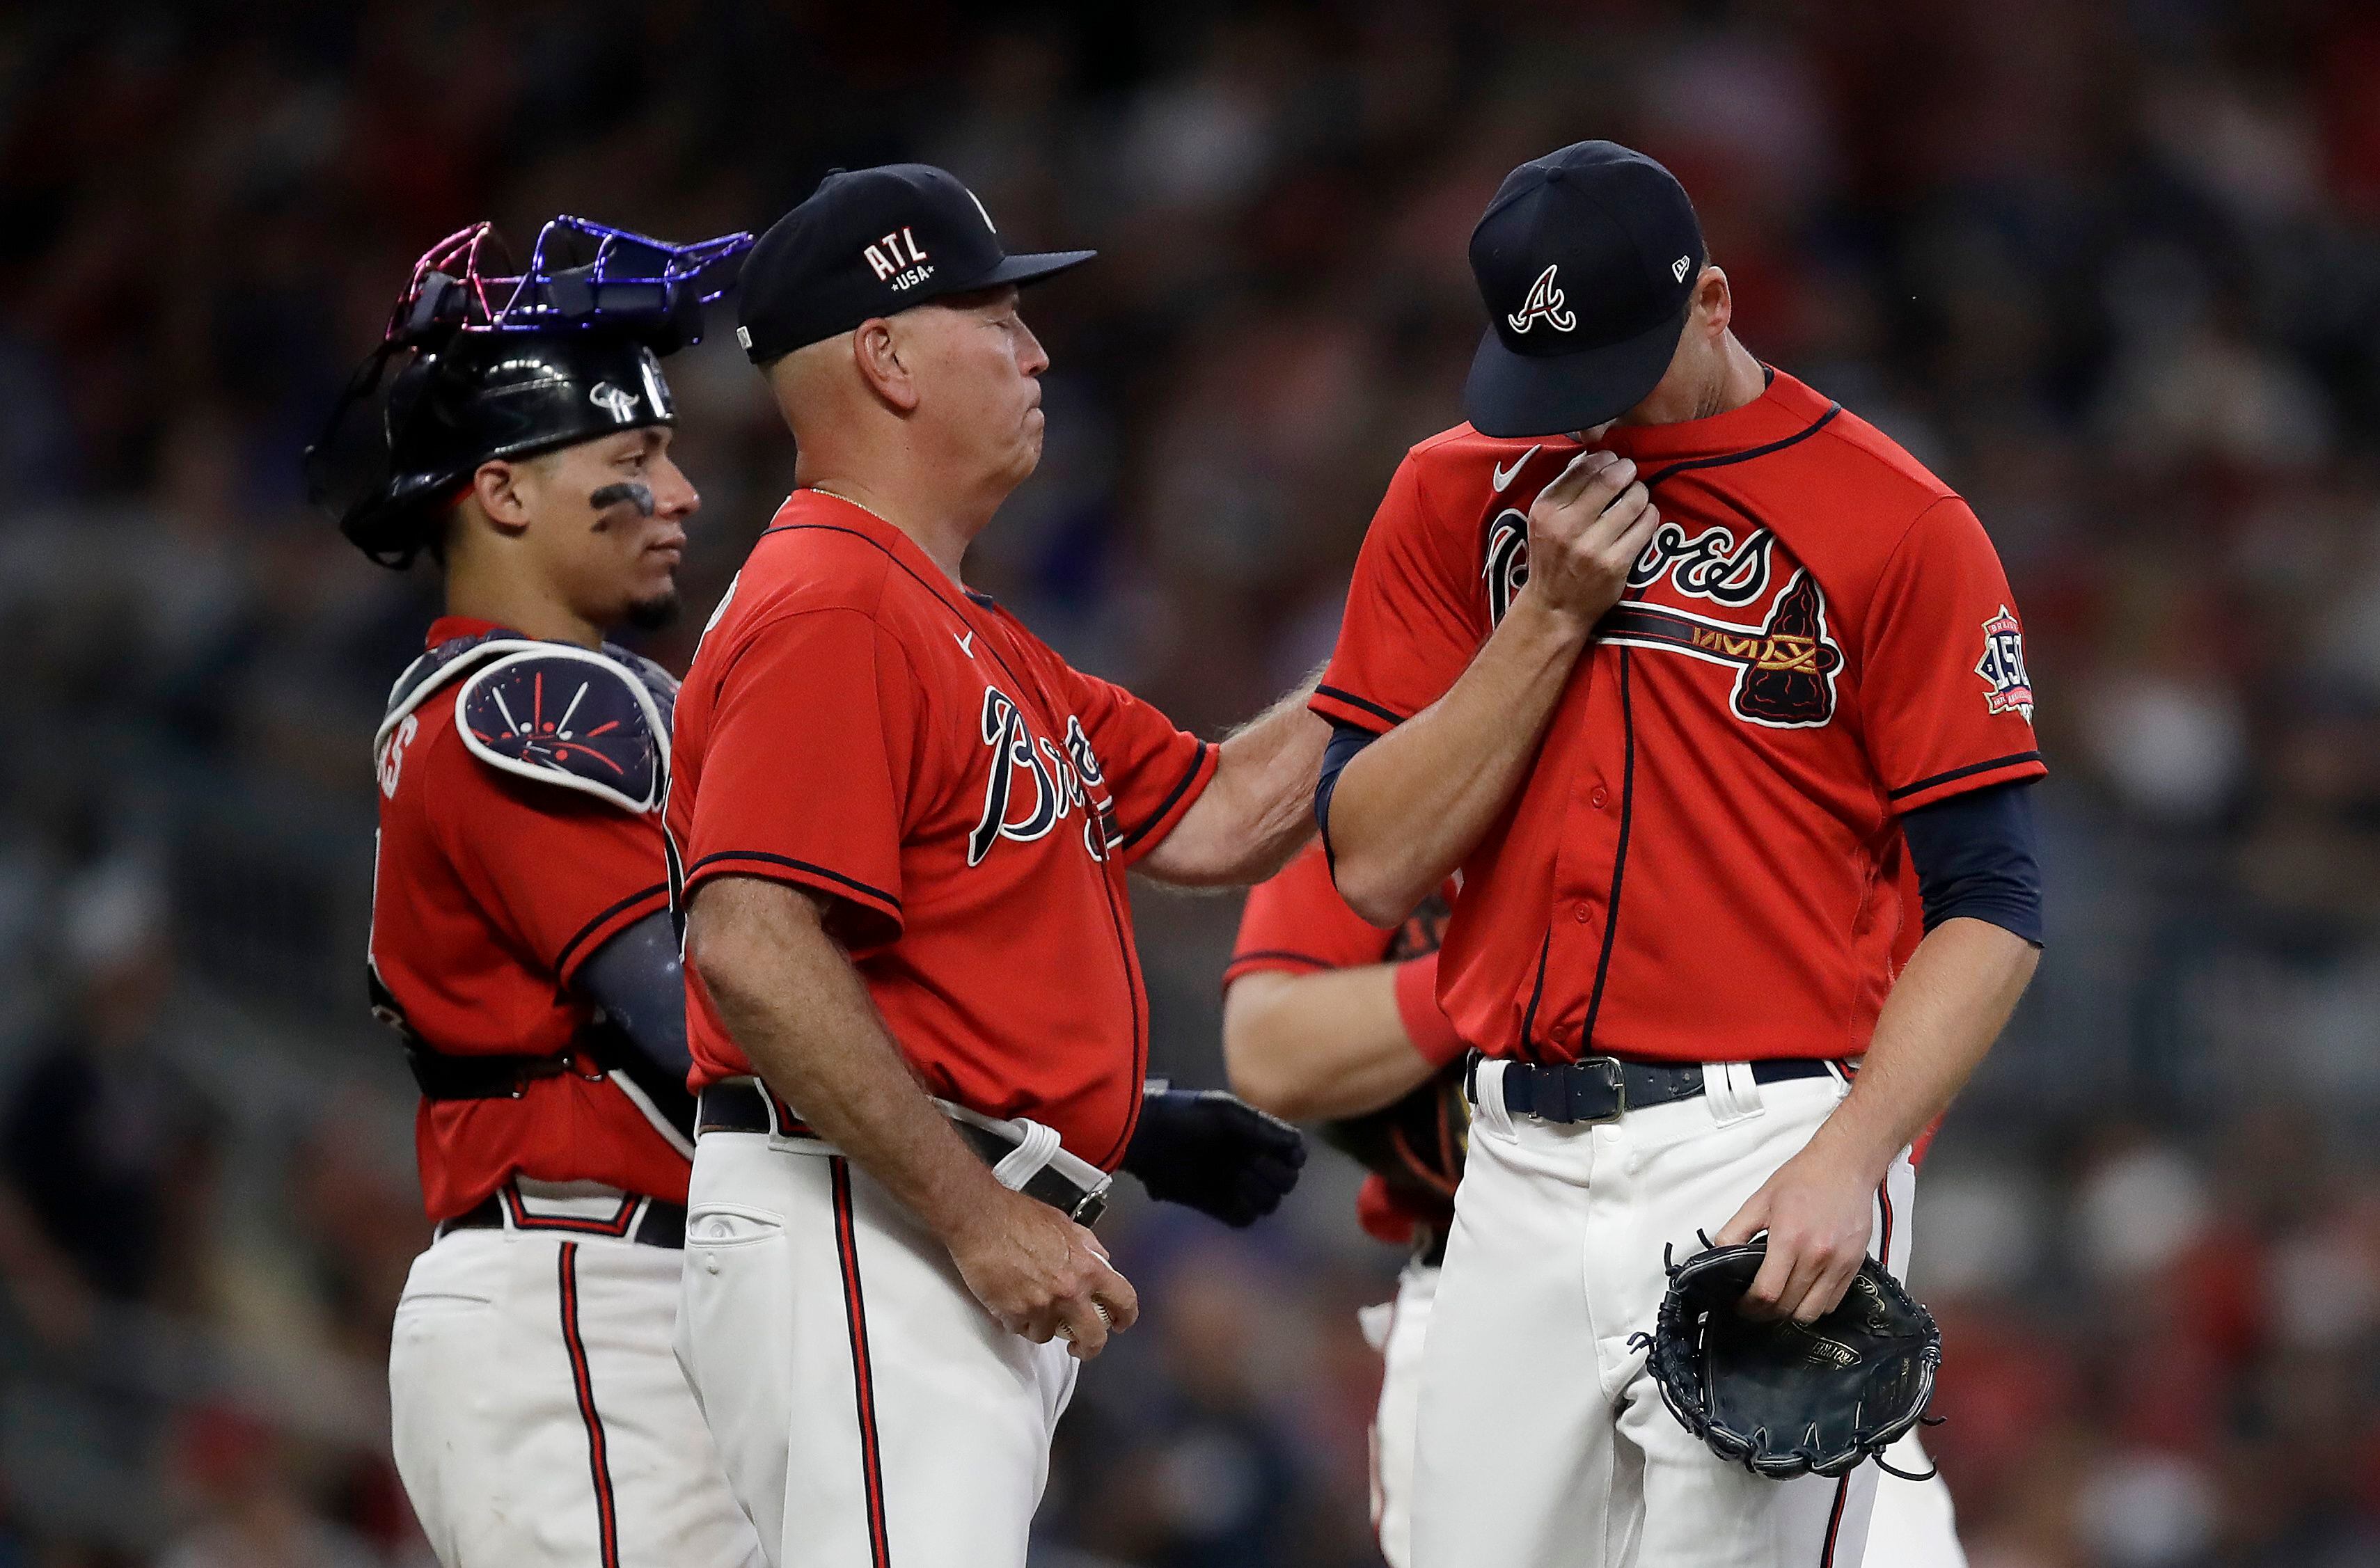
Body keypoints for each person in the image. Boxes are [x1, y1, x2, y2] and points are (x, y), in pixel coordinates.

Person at [1313, 140, 2043, 1567]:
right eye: (1546, 380)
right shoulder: (1451, 492)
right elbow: (1368, 863)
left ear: (1709, 298)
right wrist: (1538, 622)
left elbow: (1993, 901)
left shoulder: (1896, 524)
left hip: (1764, 1143)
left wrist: (1851, 1155)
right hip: (1512, 1153)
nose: (1575, 419)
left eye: (1611, 369)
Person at [666, 163, 1320, 1568]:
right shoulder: (829, 601)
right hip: (870, 1222)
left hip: (913, 1227)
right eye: (994, 316)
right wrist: (972, 1214)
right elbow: (749, 945)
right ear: (887, 358)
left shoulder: (956, 623)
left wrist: (1453, 618)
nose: (1036, 350)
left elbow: (1216, 814)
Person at [309, 217, 766, 1568]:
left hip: (622, 1300)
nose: (678, 494)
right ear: (503, 494)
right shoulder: (534, 695)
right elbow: (691, 1012)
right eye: (631, 460)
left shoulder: (529, 694)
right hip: (591, 1293)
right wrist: (1035, 1127)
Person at [1223, 845, 1971, 1568]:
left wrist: (1843, 1180)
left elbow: (1943, 959)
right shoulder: (1406, 743)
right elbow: (1267, 1048)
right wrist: (1503, 967)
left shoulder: (1769, 758)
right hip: (1477, 1287)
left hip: (1753, 1272)